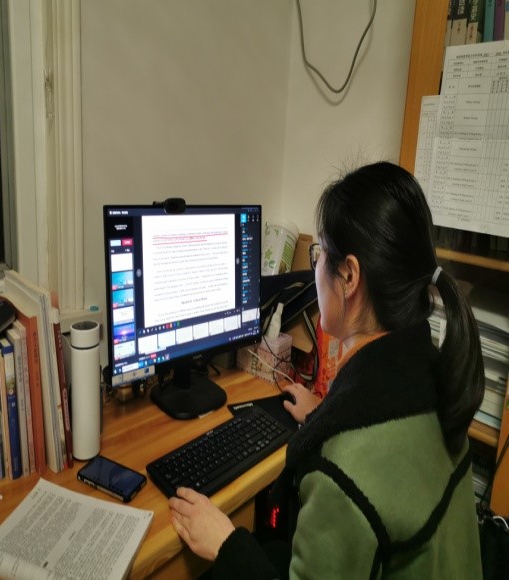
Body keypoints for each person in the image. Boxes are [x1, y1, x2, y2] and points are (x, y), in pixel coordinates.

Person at [169, 161, 484, 579]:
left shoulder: (343, 471)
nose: (315, 267)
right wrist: (324, 416)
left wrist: (226, 543)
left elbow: (362, 469)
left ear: (349, 275)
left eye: (318, 255)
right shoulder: (438, 380)